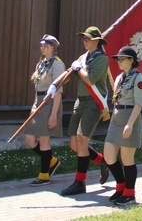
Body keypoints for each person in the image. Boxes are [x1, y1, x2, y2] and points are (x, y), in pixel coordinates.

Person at [61, 26, 110, 196]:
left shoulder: (102, 59)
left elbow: (89, 79)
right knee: (75, 144)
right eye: (83, 39)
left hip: (93, 102)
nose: (84, 41)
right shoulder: (83, 58)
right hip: (80, 101)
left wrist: (77, 68)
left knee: (82, 140)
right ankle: (102, 161)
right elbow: (71, 74)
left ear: (96, 41)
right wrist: (55, 86)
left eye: (87, 39)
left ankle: (79, 183)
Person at [104, 47, 142, 205]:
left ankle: (130, 193)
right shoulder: (119, 78)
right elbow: (115, 103)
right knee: (108, 155)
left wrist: (129, 125)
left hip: (131, 118)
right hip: (117, 119)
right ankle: (120, 185)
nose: (119, 62)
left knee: (127, 158)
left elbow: (139, 103)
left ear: (132, 60)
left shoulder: (138, 78)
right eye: (118, 59)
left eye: (122, 59)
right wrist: (111, 123)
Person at [25, 35, 64, 186]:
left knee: (44, 140)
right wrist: (33, 107)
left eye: (46, 46)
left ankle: (44, 175)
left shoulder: (57, 64)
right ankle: (52, 161)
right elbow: (37, 88)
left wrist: (54, 114)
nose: (43, 48)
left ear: (54, 48)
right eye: (41, 45)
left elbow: (59, 91)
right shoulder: (41, 63)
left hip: (49, 103)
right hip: (38, 103)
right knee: (29, 139)